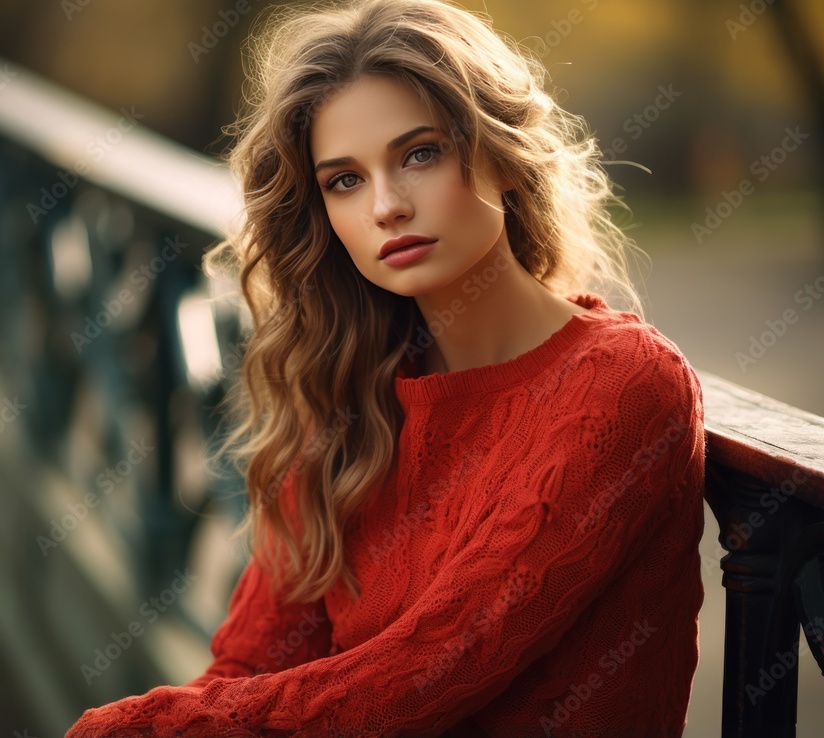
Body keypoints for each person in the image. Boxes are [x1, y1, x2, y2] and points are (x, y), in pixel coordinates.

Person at [66, 0, 705, 736]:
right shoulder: (348, 392)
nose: (386, 206)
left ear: (502, 159)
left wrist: (141, 727)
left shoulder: (624, 387)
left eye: (419, 154)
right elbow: (251, 666)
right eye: (344, 181)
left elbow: (423, 676)